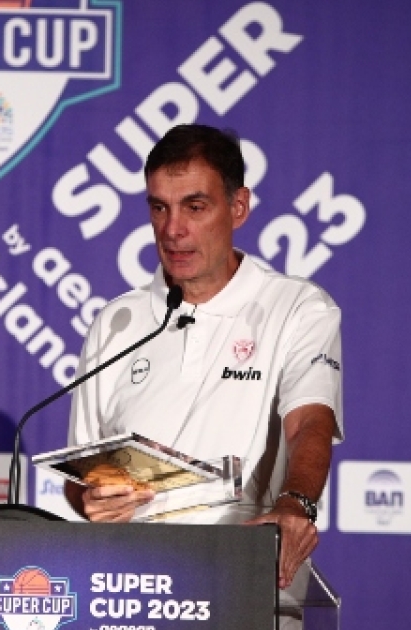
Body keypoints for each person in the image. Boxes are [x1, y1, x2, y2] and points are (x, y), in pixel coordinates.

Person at [64, 124, 343, 593]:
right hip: (133, 590)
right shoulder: (116, 321)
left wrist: (295, 505)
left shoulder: (298, 307)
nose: (173, 229)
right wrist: (92, 498)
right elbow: (81, 474)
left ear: (238, 207)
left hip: (245, 580)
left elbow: (310, 423)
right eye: (159, 208)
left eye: (195, 207)